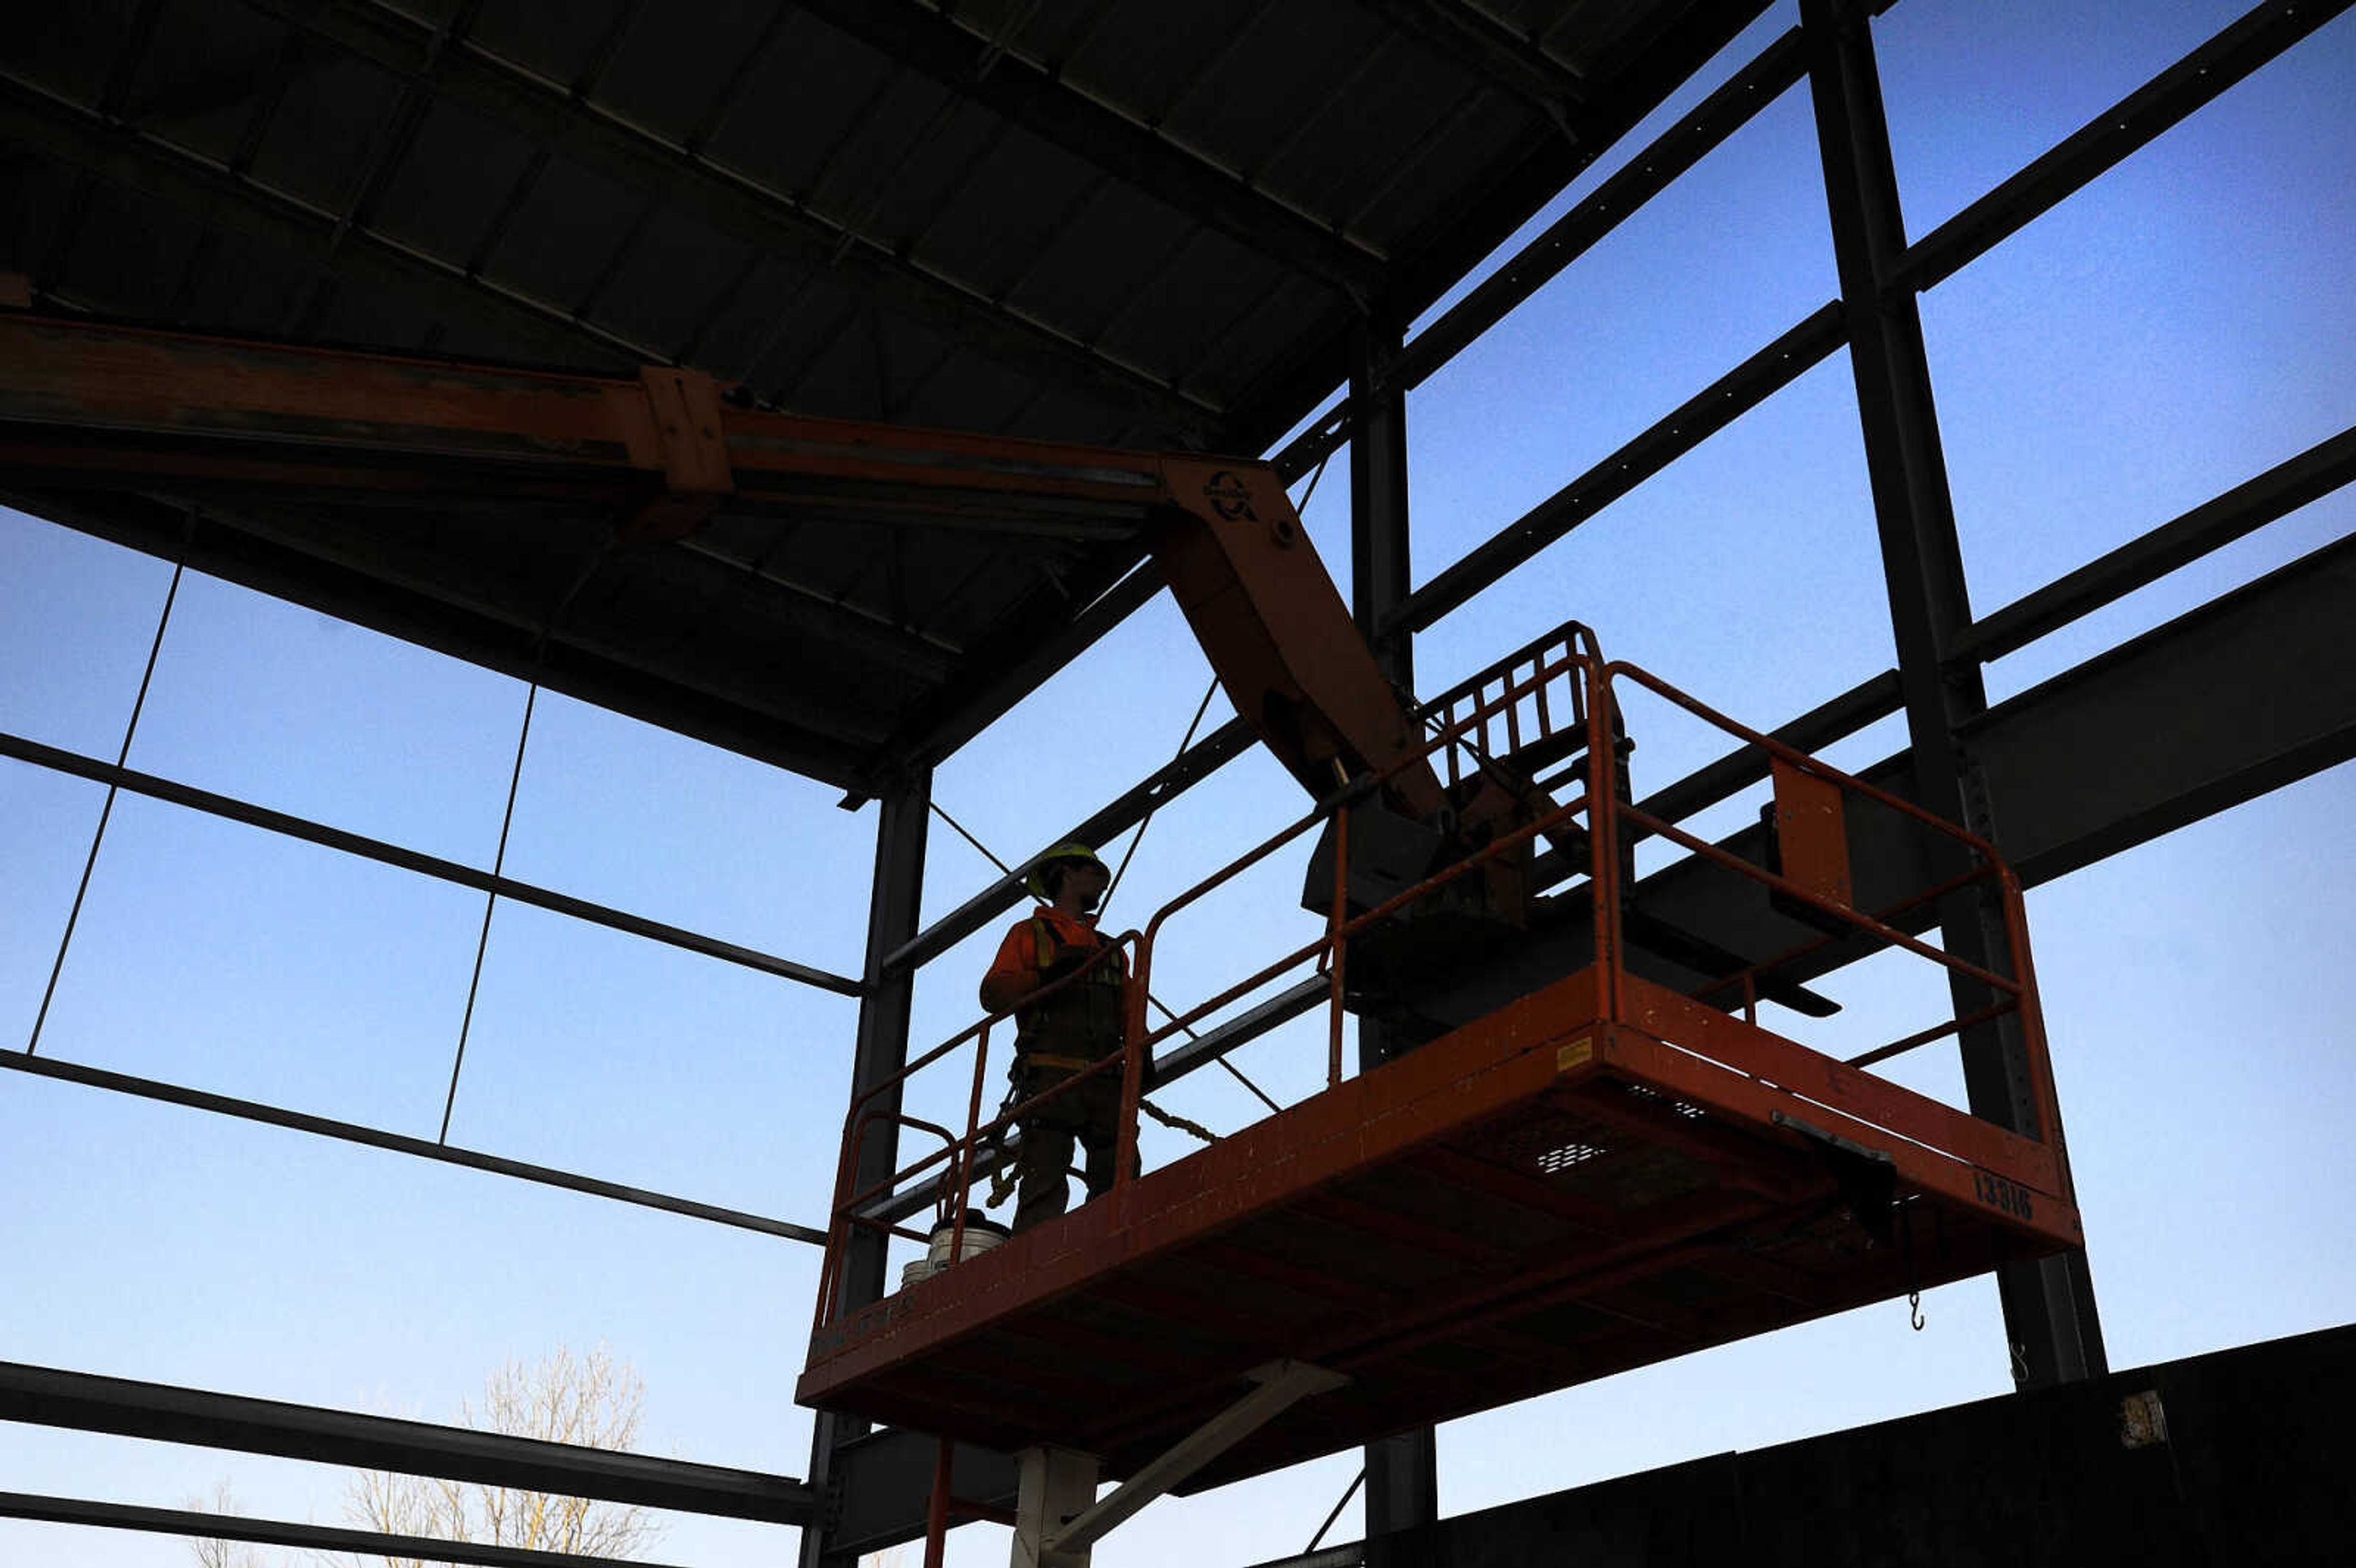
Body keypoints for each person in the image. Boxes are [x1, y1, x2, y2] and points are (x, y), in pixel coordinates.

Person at [979, 842, 1135, 1233]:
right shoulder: (1031, 934)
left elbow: (1128, 1009)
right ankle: (1033, 1259)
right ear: (1066, 873)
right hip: (1050, 1077)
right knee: (1044, 1176)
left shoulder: (1111, 950)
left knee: (1120, 1172)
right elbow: (994, 994)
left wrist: (1141, 1051)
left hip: (1105, 1077)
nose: (1102, 882)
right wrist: (1048, 977)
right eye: (1093, 873)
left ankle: (1106, 1240)